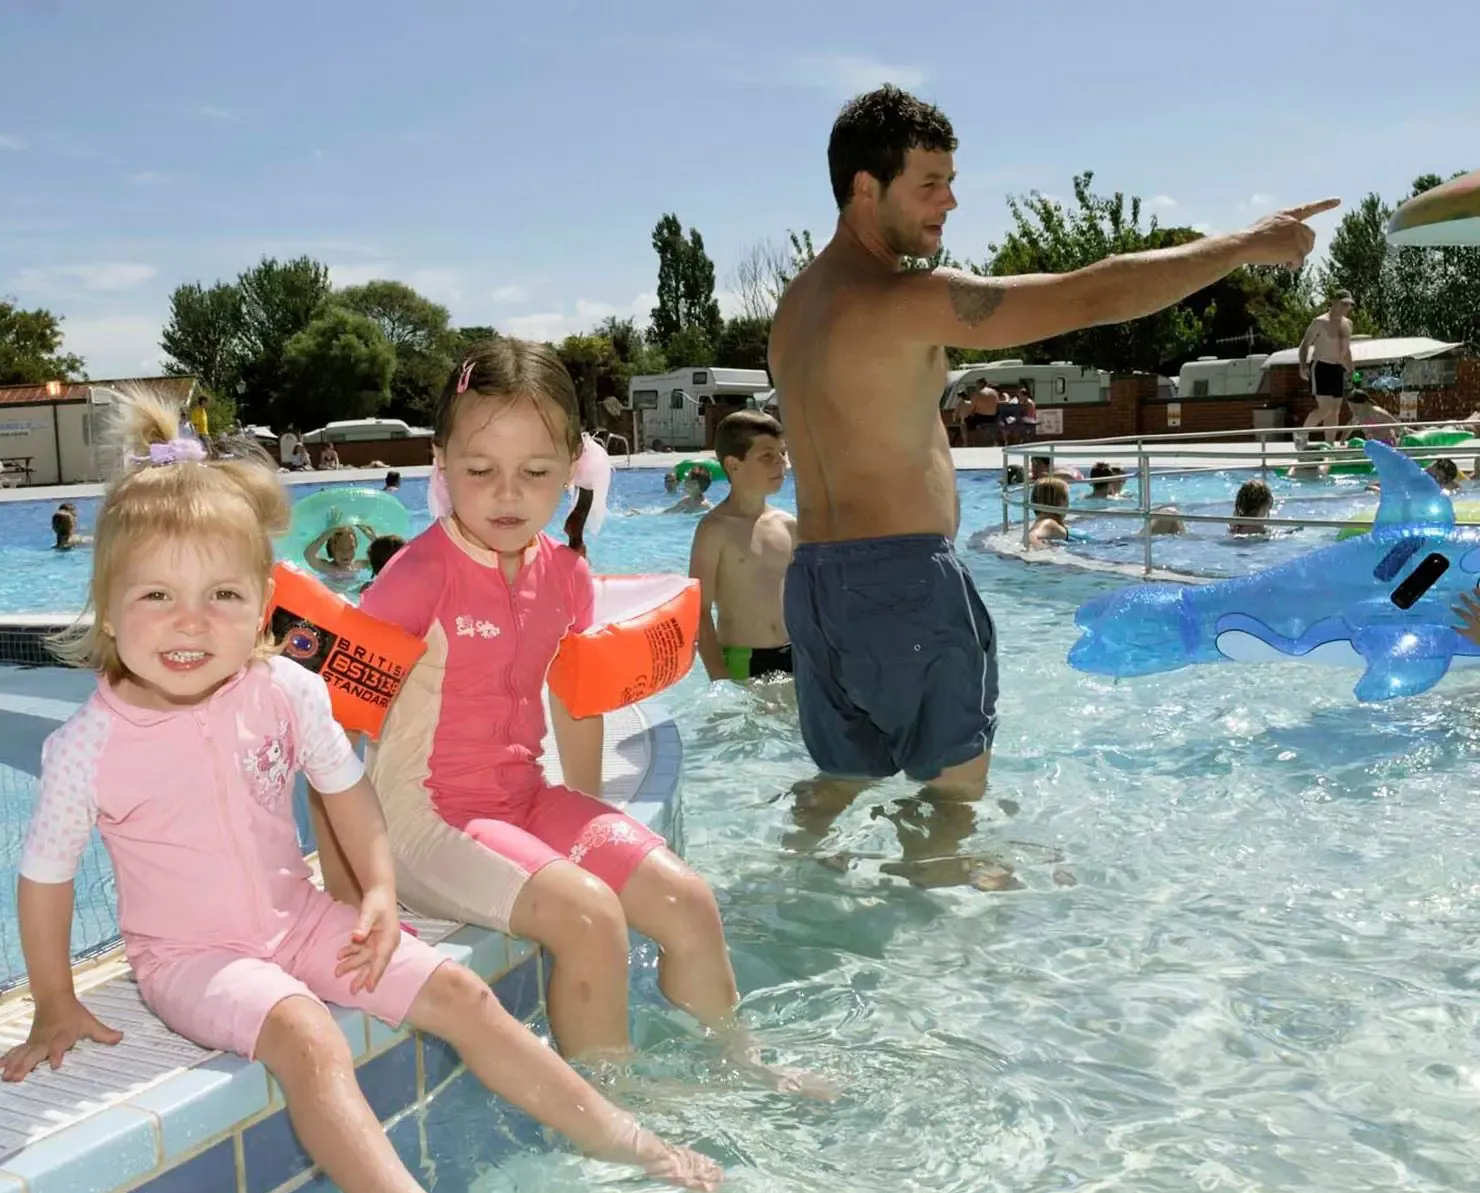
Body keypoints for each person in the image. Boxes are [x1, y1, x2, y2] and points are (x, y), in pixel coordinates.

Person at [0, 387, 718, 1193]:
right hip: (193, 955)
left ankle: (622, 1136)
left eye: (224, 596)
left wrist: (376, 893)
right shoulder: (91, 742)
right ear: (108, 607)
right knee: (308, 1037)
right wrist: (54, 998)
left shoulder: (286, 691)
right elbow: (46, 877)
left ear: (264, 600)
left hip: (299, 920)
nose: (192, 623)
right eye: (156, 597)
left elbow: (346, 792)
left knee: (458, 992)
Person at [766, 84, 1331, 873]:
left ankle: (788, 904)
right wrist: (1240, 246)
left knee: (839, 782)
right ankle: (945, 951)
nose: (951, 201)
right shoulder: (901, 298)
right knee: (950, 800)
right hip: (899, 585)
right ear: (866, 186)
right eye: (930, 184)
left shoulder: (796, 308)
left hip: (816, 584)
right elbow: (1092, 293)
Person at [332, 338, 829, 1094]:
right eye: (479, 471)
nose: (507, 495)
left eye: (535, 473)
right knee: (591, 918)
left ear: (571, 469)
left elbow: (576, 702)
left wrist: (590, 827)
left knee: (687, 901)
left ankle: (742, 1062)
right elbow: (331, 725)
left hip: (523, 801)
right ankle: (618, 1100)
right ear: (441, 464)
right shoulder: (417, 577)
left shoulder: (564, 577)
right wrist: (349, 889)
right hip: (426, 822)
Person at [690, 412, 797, 681]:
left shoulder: (788, 526)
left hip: (795, 656)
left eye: (783, 453)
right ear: (734, 465)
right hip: (742, 662)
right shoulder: (715, 530)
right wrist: (719, 677)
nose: (781, 463)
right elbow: (699, 611)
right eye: (767, 456)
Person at [1296, 291, 1356, 450]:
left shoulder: (1347, 324)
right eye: (1343, 303)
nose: (1346, 307)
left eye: (1349, 304)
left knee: (1335, 409)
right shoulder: (1320, 322)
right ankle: (1301, 433)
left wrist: (1351, 370)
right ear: (1334, 302)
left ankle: (1330, 445)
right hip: (1321, 366)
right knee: (1325, 407)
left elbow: (1346, 350)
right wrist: (1302, 365)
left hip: (1337, 368)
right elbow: (1305, 344)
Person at [1024, 477, 1072, 546]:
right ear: (1060, 501)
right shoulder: (1048, 523)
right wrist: (1042, 550)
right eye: (1067, 498)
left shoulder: (1042, 522)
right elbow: (1031, 536)